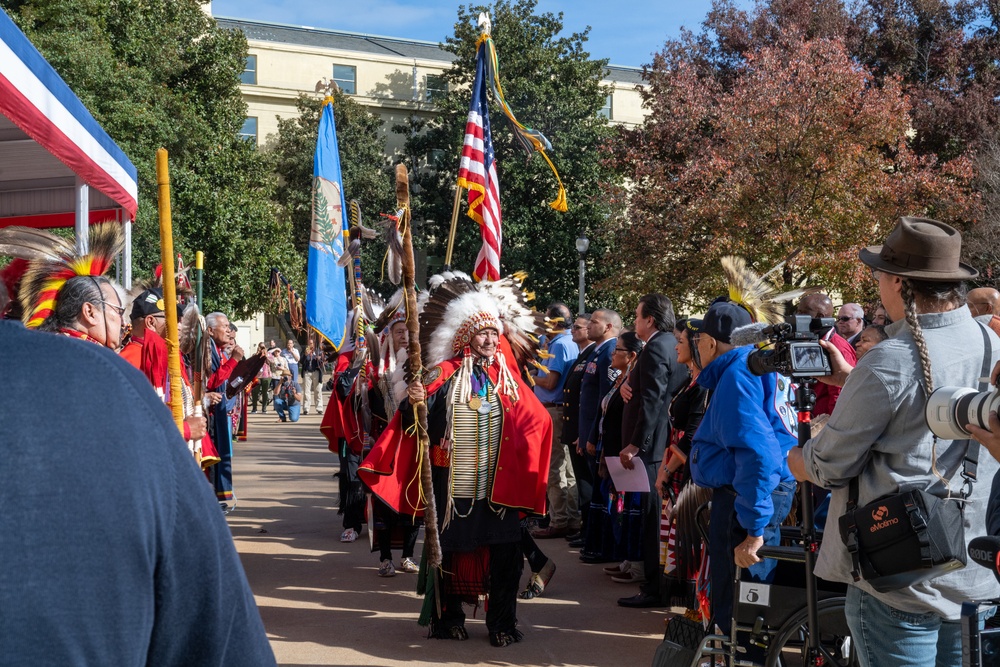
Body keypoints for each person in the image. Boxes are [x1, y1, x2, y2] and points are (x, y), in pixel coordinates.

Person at [0, 316, 277, 665]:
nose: (118, 318)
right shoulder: (112, 365)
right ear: (89, 311)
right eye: (113, 309)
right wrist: (181, 431)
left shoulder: (123, 359)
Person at [789, 217, 1000, 667]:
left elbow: (830, 466)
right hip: (975, 576)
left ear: (900, 283)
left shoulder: (889, 359)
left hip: (899, 575)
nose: (878, 282)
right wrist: (852, 381)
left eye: (881, 273)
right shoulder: (991, 344)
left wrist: (797, 459)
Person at [359, 276, 551, 647]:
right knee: (451, 552)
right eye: (483, 334)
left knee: (505, 556)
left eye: (495, 335)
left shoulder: (506, 379)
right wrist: (416, 400)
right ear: (465, 337)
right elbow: (411, 419)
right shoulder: (443, 374)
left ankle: (502, 623)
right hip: (454, 487)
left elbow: (538, 420)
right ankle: (449, 619)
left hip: (498, 487)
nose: (491, 341)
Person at [688, 299, 797, 643]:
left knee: (743, 609)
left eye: (699, 340)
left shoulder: (738, 372)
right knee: (747, 607)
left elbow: (758, 454)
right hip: (757, 492)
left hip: (748, 497)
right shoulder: (754, 365)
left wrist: (754, 528)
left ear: (709, 342)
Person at [617, 293, 687, 608]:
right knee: (653, 520)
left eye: (637, 316)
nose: (634, 321)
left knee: (651, 521)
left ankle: (654, 587)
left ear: (651, 320)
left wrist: (636, 443)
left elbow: (653, 400)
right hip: (657, 445)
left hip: (653, 448)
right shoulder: (663, 346)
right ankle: (656, 584)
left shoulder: (658, 347)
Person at [656, 319, 712, 608]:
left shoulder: (702, 385)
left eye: (681, 340)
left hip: (686, 471)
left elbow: (690, 437)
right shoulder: (690, 380)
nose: (676, 345)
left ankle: (689, 610)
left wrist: (666, 471)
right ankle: (680, 608)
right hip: (676, 467)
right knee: (675, 536)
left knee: (687, 538)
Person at [582, 331, 645, 575]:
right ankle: (624, 558)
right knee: (615, 506)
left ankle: (634, 562)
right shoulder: (619, 379)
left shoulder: (632, 384)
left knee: (626, 507)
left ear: (631, 356)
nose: (612, 354)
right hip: (608, 451)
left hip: (622, 453)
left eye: (617, 349)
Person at [531, 302, 582, 539]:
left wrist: (531, 377)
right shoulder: (567, 342)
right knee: (566, 468)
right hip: (561, 410)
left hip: (554, 410)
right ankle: (570, 518)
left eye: (545, 321)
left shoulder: (561, 345)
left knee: (554, 467)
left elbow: (551, 382)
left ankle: (559, 520)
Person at [577, 308, 621, 545]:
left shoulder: (609, 353)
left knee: (602, 491)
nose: (589, 325)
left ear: (608, 327)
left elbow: (605, 399)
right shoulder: (597, 351)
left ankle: (602, 542)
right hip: (589, 433)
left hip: (599, 435)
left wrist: (593, 435)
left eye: (594, 322)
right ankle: (593, 538)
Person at [561, 313, 594, 548]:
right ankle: (586, 529)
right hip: (575, 428)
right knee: (581, 480)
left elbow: (591, 398)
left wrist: (585, 432)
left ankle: (589, 530)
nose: (573, 330)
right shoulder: (583, 355)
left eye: (578, 327)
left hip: (583, 430)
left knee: (586, 482)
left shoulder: (595, 354)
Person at [205, 311, 244, 512]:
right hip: (209, 414)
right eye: (225, 327)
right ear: (210, 331)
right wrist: (234, 360)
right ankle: (209, 500)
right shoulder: (208, 350)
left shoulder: (218, 350)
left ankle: (215, 498)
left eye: (229, 327)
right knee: (210, 459)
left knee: (219, 456)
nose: (229, 332)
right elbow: (211, 382)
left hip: (219, 411)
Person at [795, 292, 857, 417]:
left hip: (823, 425)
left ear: (819, 316)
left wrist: (827, 428)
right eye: (797, 311)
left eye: (803, 312)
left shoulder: (838, 348)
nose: (797, 316)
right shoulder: (813, 340)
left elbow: (839, 397)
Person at [300, 341, 324, 415]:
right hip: (307, 372)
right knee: (306, 391)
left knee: (318, 390)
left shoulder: (318, 351)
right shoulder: (304, 351)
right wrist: (305, 354)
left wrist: (319, 359)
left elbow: (323, 361)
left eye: (311, 343)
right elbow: (301, 361)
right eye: (309, 343)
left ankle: (319, 408)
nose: (310, 345)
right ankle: (306, 408)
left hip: (316, 372)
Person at [251, 342, 272, 413]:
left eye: (263, 347)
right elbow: (252, 363)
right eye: (260, 347)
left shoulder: (269, 354)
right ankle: (254, 408)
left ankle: (264, 408)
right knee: (255, 392)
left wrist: (266, 356)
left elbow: (272, 362)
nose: (262, 349)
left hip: (266, 375)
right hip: (257, 376)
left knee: (264, 392)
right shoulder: (255, 355)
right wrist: (258, 355)